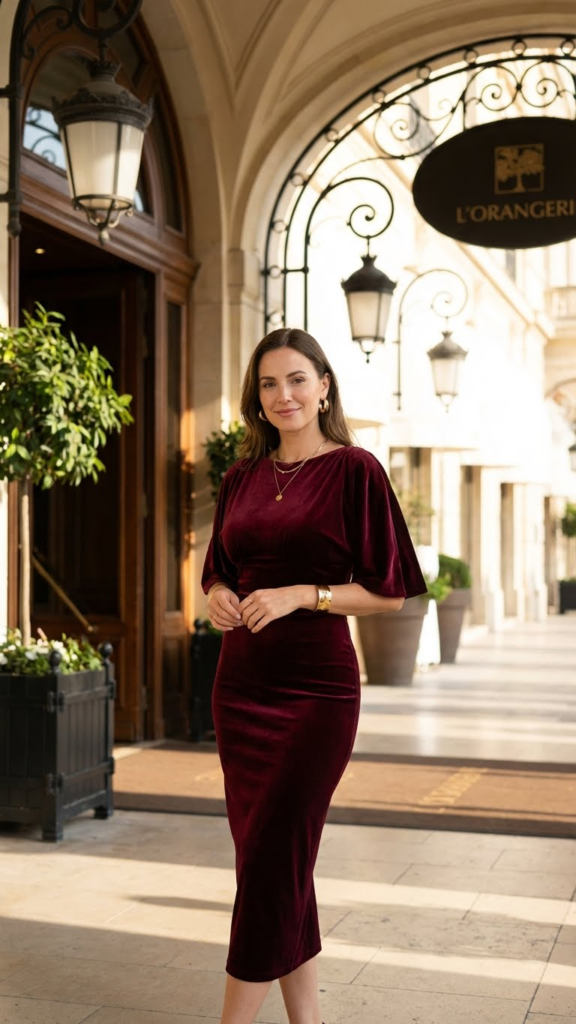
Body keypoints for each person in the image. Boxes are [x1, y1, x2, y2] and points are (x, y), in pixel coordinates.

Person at [201, 327, 427, 1024]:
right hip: (240, 687)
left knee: (271, 862)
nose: (284, 395)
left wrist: (305, 594)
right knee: (272, 866)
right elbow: (218, 568)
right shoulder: (241, 476)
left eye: (297, 379)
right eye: (269, 384)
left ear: (324, 385)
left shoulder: (356, 470)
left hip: (316, 693)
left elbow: (389, 592)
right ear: (257, 397)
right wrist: (215, 596)